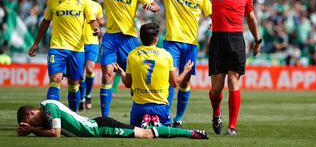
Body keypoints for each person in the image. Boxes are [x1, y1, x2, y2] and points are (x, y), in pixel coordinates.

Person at [58, 0, 160, 117]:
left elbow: (154, 4)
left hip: (129, 39)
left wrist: (152, 7)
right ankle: (105, 117)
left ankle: (142, 114)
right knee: (107, 75)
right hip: (111, 38)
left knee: (134, 79)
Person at [123, 0, 212, 128]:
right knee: (170, 79)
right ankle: (165, 117)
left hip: (191, 44)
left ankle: (178, 118)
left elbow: (211, 13)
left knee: (185, 82)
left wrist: (213, 22)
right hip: (172, 42)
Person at [203, 0, 262, 136]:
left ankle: (232, 127)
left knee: (233, 83)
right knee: (216, 88)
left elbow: (251, 19)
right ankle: (216, 113)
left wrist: (257, 40)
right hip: (218, 40)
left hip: (236, 40)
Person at [28, 0, 100, 112]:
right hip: (57, 47)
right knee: (55, 80)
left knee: (74, 84)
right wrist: (36, 43)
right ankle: (52, 117)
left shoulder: (84, 2)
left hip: (77, 49)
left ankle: (73, 115)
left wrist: (95, 28)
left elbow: (93, 21)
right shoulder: (53, 1)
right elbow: (45, 23)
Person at [113, 22, 194, 128]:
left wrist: (121, 73)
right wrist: (186, 70)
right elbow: (175, 83)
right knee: (165, 130)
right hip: (160, 107)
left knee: (136, 130)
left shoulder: (132, 55)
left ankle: (146, 119)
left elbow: (128, 84)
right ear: (156, 39)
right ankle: (155, 120)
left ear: (141, 38)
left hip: (139, 107)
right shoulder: (166, 55)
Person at [16, 99, 208, 139]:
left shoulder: (49, 108)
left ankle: (190, 133)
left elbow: (56, 134)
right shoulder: (47, 115)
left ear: (31, 113)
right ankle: (149, 121)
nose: (33, 126)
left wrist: (32, 131)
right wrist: (32, 130)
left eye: (30, 122)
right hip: (98, 126)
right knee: (144, 133)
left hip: (101, 128)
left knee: (147, 135)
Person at [77, 0, 105, 111]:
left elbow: (101, 21)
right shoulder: (75, 3)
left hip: (92, 42)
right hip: (77, 42)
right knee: (79, 74)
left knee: (89, 69)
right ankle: (81, 97)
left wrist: (98, 22)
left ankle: (88, 95)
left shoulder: (96, 6)